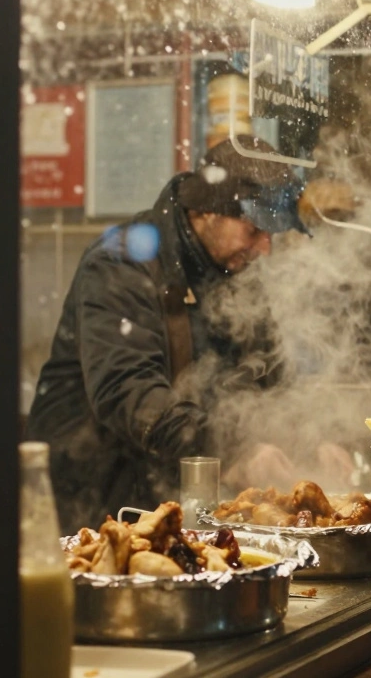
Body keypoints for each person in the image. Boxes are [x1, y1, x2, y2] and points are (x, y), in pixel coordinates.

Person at [27, 136, 309, 533]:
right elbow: (130, 393)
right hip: (96, 504)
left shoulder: (236, 270)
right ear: (207, 211)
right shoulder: (121, 263)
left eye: (271, 235)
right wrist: (233, 450)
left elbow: (273, 376)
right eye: (253, 230)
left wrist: (312, 440)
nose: (264, 248)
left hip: (176, 503)